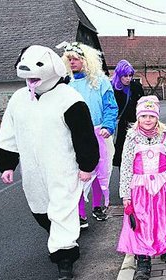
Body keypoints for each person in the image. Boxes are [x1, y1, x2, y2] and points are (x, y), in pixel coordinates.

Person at [0, 45, 99, 280]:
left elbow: (83, 137)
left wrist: (86, 166)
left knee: (62, 211)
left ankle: (65, 260)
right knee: (40, 209)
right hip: (32, 171)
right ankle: (58, 240)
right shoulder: (19, 100)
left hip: (62, 168)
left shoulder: (69, 99)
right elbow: (8, 133)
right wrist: (8, 164)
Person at [117, 96, 166, 280]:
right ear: (138, 118)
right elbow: (126, 166)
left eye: (151, 116)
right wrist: (125, 194)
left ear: (157, 118)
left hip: (163, 187)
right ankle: (143, 261)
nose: (147, 120)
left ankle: (164, 242)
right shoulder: (131, 138)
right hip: (140, 189)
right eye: (144, 116)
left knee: (163, 218)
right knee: (141, 224)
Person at [62, 42, 118, 228]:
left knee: (99, 171)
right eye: (69, 59)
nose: (72, 62)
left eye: (76, 59)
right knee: (77, 173)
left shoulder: (101, 81)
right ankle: (79, 214)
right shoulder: (65, 84)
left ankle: (97, 206)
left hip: (98, 132)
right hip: (73, 134)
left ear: (86, 60)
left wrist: (108, 127)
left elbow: (110, 106)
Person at [111, 59, 144, 169]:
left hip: (136, 125)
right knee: (123, 155)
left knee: (138, 154)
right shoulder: (113, 89)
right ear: (119, 75)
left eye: (130, 75)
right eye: (125, 76)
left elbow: (143, 104)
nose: (128, 78)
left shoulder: (136, 87)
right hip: (121, 125)